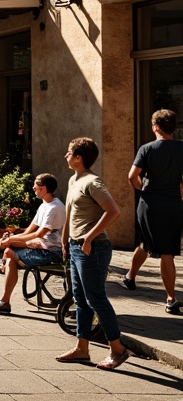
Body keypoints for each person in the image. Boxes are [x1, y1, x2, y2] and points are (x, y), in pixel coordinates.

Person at [56, 136, 129, 370]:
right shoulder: (73, 180)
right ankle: (82, 348)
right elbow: (70, 213)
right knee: (80, 299)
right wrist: (65, 240)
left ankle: (117, 350)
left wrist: (88, 238)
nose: (66, 156)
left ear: (79, 158)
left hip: (93, 248)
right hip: (76, 247)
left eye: (69, 152)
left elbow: (113, 211)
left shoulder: (92, 182)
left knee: (95, 298)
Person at [122, 108, 183, 313]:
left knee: (147, 243)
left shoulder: (147, 149)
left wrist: (144, 189)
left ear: (156, 127)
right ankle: (169, 299)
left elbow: (132, 176)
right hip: (173, 203)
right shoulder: (181, 149)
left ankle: (133, 279)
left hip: (149, 204)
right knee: (167, 250)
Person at [0, 173, 65, 314]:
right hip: (40, 247)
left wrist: (11, 240)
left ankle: (4, 296)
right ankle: (4, 299)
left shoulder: (54, 208)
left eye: (36, 186)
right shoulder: (45, 205)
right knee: (10, 253)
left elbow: (39, 234)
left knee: (9, 253)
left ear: (43, 188)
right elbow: (30, 230)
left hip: (50, 253)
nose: (33, 188)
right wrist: (14, 234)